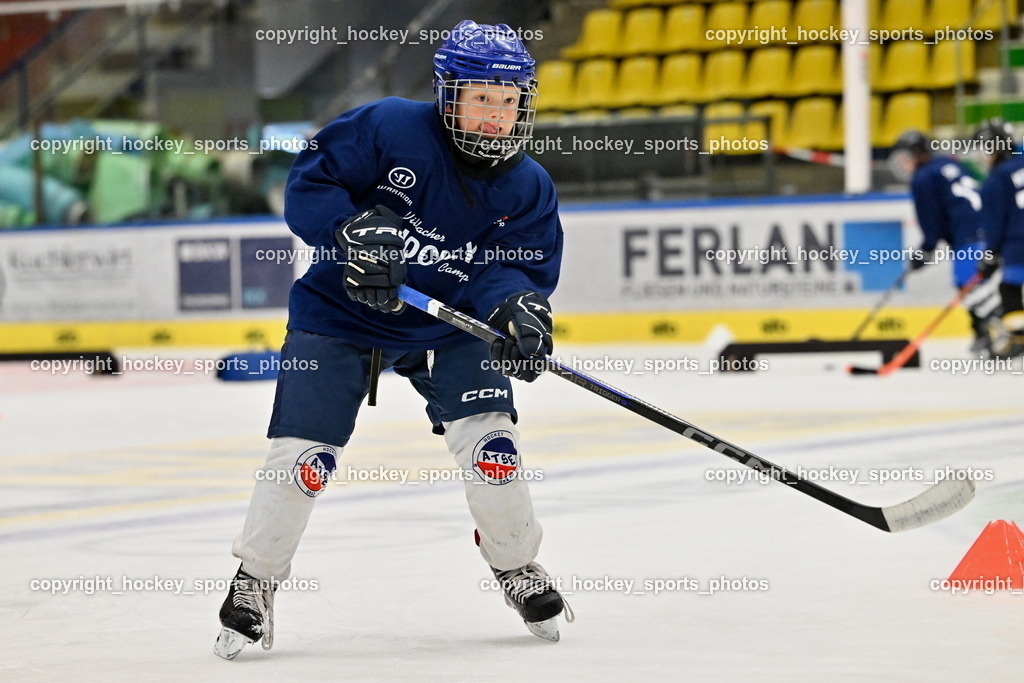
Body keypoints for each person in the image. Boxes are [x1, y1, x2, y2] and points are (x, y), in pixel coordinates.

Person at [213, 20, 571, 660]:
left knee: (494, 447)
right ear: (448, 95)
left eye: (508, 100)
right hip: (339, 314)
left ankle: (516, 565)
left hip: (446, 324)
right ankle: (255, 579)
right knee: (303, 458)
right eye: (481, 99)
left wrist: (519, 308)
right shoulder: (388, 126)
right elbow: (309, 185)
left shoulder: (528, 186)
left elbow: (508, 270)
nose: (495, 116)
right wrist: (349, 230)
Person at [888, 130, 1000, 354]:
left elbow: (932, 228)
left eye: (907, 157)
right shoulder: (948, 163)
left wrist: (924, 252)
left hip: (970, 235)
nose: (903, 163)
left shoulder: (922, 179)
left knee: (968, 286)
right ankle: (988, 332)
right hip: (991, 226)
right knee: (980, 285)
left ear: (920, 155)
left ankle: (994, 334)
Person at [974, 118, 1024, 357]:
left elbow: (994, 223)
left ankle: (1019, 341)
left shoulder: (995, 180)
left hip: (1018, 245)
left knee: (1010, 289)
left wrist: (990, 255)